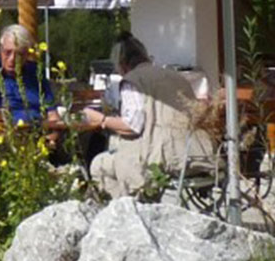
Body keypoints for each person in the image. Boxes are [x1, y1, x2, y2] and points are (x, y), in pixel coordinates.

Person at [86, 35, 214, 199]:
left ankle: (128, 208)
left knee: (99, 165)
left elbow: (132, 126)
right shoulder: (175, 76)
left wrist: (101, 120)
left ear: (122, 64)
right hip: (194, 154)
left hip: (162, 158)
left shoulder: (133, 80)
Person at [0, 22, 57, 125]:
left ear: (27, 54)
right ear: (0, 50)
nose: (12, 59)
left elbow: (52, 113)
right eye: (7, 52)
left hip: (37, 130)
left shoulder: (36, 72)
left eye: (19, 54)